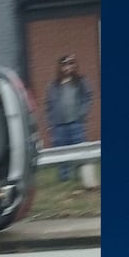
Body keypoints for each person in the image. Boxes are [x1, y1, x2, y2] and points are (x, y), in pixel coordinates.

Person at [45, 54, 94, 182]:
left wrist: (82, 113)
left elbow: (88, 97)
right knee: (61, 151)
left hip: (76, 123)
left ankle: (79, 177)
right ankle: (64, 178)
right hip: (59, 125)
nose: (68, 67)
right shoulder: (53, 85)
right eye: (65, 64)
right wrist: (50, 123)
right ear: (60, 67)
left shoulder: (80, 81)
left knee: (79, 150)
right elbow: (49, 105)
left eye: (71, 64)